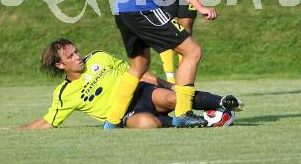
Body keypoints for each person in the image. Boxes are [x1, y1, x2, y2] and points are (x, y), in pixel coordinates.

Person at [103, 0, 217, 129]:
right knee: (193, 51)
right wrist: (200, 6)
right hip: (143, 8)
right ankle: (183, 113)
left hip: (122, 9)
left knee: (139, 66)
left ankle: (112, 121)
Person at [18, 38, 243, 130]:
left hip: (142, 93)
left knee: (172, 98)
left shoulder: (98, 57)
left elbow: (138, 73)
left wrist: (171, 86)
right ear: (60, 66)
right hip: (124, 114)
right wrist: (16, 129)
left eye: (76, 51)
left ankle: (222, 102)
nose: (77, 57)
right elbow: (47, 122)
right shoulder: (64, 93)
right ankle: (199, 121)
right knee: (147, 124)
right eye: (70, 56)